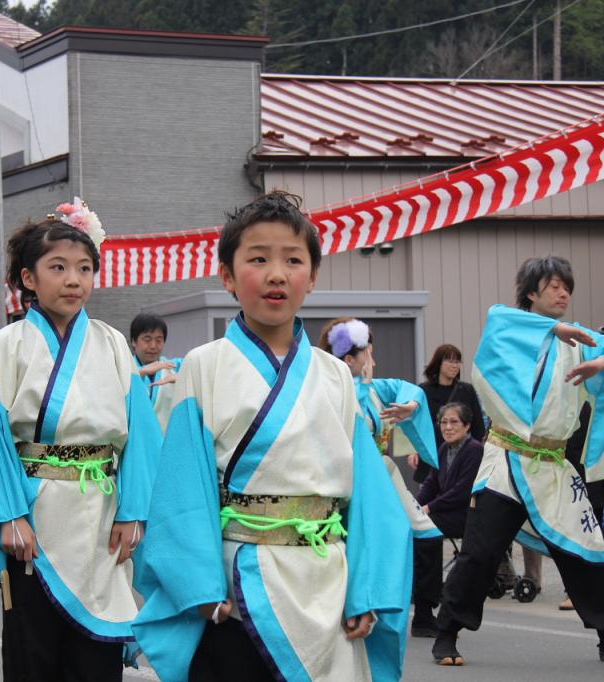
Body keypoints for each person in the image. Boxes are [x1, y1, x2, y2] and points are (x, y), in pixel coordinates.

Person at [132, 191, 412, 681]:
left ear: (313, 276)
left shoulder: (335, 376)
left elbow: (369, 490)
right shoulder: (204, 365)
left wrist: (367, 586)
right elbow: (183, 485)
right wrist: (199, 588)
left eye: (293, 260)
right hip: (238, 581)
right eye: (257, 259)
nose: (276, 274)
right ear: (227, 275)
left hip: (326, 579)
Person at [0, 199, 162, 680]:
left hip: (100, 514)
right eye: (59, 268)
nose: (75, 280)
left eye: (85, 268)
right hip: (34, 513)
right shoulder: (8, 345)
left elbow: (142, 438)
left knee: (96, 652)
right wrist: (7, 515)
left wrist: (134, 511)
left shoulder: (113, 344)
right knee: (33, 652)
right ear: (29, 279)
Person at [431, 255, 604, 668]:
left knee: (589, 550)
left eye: (566, 286)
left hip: (552, 465)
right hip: (506, 461)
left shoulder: (581, 338)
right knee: (480, 552)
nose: (563, 292)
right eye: (553, 286)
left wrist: (601, 362)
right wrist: (552, 327)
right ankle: (446, 633)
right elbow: (499, 318)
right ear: (532, 293)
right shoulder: (510, 329)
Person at [319, 316, 442, 639]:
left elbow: (410, 389)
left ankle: (423, 612)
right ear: (349, 360)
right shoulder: (328, 389)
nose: (373, 359)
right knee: (357, 541)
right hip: (349, 478)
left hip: (382, 474)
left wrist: (411, 405)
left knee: (425, 534)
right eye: (367, 354)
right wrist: (362, 386)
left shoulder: (378, 387)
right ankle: (354, 605)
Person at [414, 344, 485, 484]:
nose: (455, 365)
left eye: (457, 361)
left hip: (461, 454)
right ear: (439, 363)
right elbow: (414, 422)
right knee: (430, 492)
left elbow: (478, 427)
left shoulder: (466, 390)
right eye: (450, 361)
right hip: (431, 454)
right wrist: (412, 451)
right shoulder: (423, 390)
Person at [417, 403, 484, 540]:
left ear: (467, 425)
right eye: (444, 422)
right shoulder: (444, 448)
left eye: (454, 422)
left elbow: (462, 492)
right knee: (413, 520)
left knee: (424, 525)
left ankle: (430, 562)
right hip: (446, 511)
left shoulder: (474, 450)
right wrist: (415, 506)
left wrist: (429, 507)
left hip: (466, 514)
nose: (448, 428)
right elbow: (431, 483)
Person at [131, 312, 182, 430]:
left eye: (159, 340)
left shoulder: (176, 367)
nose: (153, 346)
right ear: (134, 341)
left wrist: (187, 378)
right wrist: (140, 372)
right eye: (147, 339)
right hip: (135, 443)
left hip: (166, 443)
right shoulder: (124, 369)